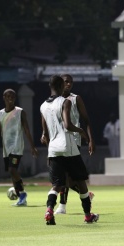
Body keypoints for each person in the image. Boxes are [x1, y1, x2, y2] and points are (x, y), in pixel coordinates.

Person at [40, 75, 99, 225]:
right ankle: (87, 215)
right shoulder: (65, 102)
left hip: (53, 149)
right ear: (60, 86)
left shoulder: (43, 106)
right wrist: (81, 131)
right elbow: (67, 125)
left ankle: (49, 211)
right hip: (68, 147)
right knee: (81, 182)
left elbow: (45, 132)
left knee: (57, 185)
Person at [54, 74, 95, 215]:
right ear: (60, 83)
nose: (69, 84)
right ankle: (85, 195)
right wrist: (45, 134)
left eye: (71, 82)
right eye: (66, 81)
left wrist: (91, 140)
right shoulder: (54, 101)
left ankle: (62, 206)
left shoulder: (75, 98)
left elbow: (86, 120)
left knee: (66, 175)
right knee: (70, 179)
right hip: (58, 141)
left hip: (74, 141)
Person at [0, 88, 38, 207]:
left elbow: (27, 130)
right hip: (6, 148)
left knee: (12, 170)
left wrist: (32, 146)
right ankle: (20, 196)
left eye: (12, 96)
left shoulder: (20, 112)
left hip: (17, 147)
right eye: (8, 96)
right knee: (12, 172)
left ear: (15, 98)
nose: (10, 98)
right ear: (4, 98)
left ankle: (22, 194)